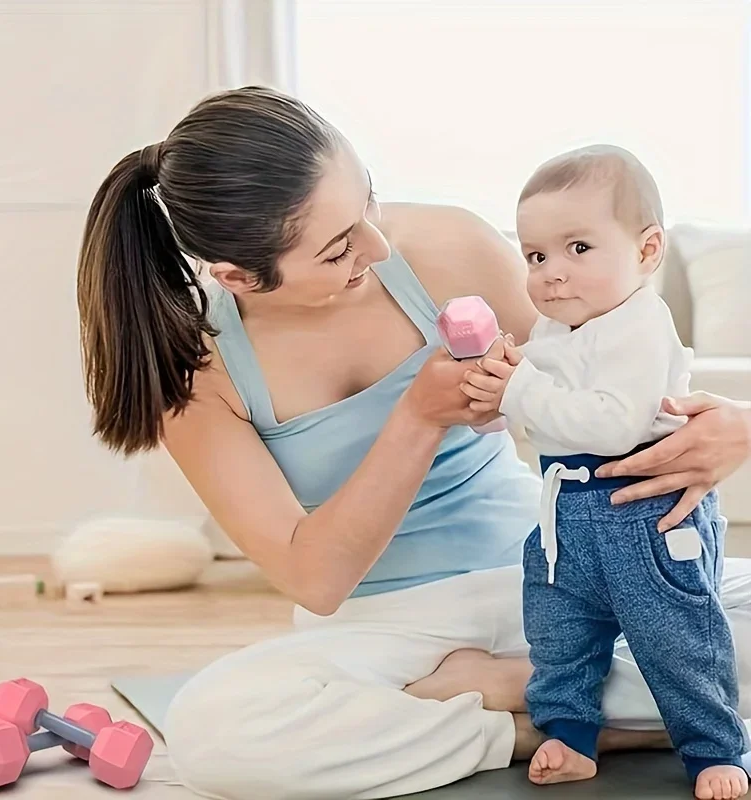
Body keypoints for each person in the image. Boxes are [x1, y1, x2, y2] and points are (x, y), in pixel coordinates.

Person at [75, 85, 751, 800]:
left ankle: (531, 698)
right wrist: (418, 418)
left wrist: (732, 426)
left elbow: (608, 375)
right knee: (215, 733)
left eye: (366, 201)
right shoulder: (199, 374)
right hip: (393, 624)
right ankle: (548, 717)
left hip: (554, 568)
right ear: (240, 276)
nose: (379, 244)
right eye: (338, 247)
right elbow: (316, 579)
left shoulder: (447, 246)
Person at [462, 145, 749, 798]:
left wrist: (519, 389)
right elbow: (542, 400)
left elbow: (613, 424)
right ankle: (569, 735)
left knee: (680, 641)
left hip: (642, 519)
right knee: (559, 635)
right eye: (536, 257)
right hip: (566, 517)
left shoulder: (640, 328)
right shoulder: (558, 326)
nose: (552, 274)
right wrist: (500, 386)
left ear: (648, 253)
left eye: (579, 249)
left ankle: (716, 750)